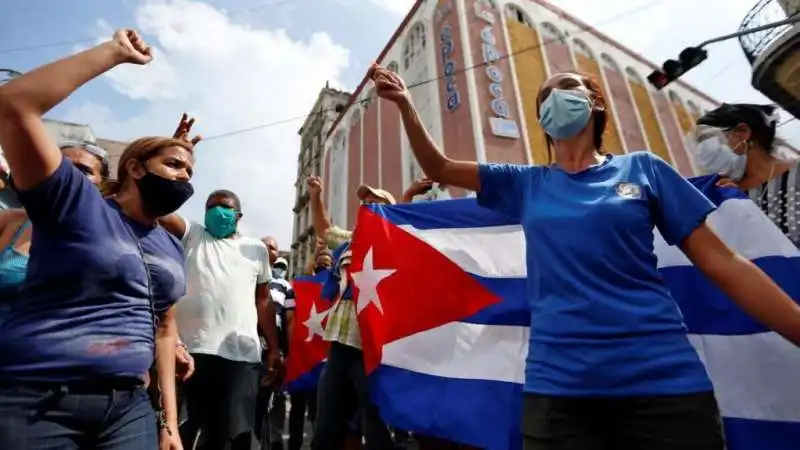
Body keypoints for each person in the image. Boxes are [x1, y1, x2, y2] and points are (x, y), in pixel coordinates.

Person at [371, 63, 800, 450]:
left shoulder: (644, 169)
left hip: (664, 388)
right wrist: (407, 105)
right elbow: (441, 167)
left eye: (569, 86)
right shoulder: (526, 183)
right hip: (559, 395)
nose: (557, 95)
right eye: (546, 95)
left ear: (593, 102)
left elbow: (722, 262)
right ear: (541, 118)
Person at [0, 29, 192, 450]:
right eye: (175, 165)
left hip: (128, 408)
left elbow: (162, 331)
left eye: (190, 172)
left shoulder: (171, 245)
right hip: (38, 402)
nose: (184, 178)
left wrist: (169, 423)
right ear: (136, 169)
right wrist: (114, 53)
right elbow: (13, 105)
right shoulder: (73, 203)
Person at [307, 176, 434, 450]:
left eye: (374, 202)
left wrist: (408, 194)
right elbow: (324, 229)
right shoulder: (351, 240)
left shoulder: (393, 239)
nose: (367, 206)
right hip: (339, 346)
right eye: (364, 202)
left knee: (374, 422)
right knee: (327, 421)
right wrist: (316, 196)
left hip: (370, 347)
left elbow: (404, 225)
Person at [160, 189, 281, 450]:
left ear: (237, 216)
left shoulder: (256, 250)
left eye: (224, 207)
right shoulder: (193, 235)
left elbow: (263, 299)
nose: (217, 212)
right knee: (183, 429)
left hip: (241, 357)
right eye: (211, 207)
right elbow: (161, 212)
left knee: (233, 435)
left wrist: (274, 347)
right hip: (191, 353)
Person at [689, 103, 796, 192]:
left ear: (742, 131)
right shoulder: (729, 192)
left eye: (706, 138)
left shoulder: (796, 171)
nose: (702, 149)